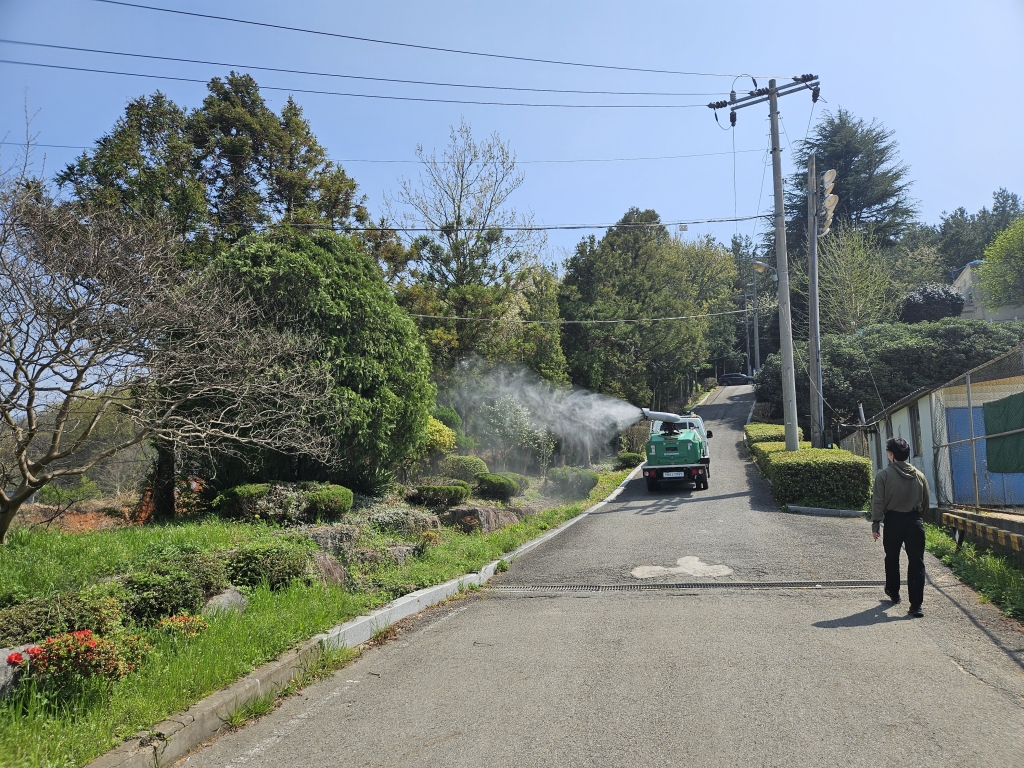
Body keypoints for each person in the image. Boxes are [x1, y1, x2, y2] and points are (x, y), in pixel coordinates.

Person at [870, 437, 930, 618]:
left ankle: (893, 592)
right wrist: (918, 518)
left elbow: (878, 501)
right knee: (917, 561)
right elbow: (925, 502)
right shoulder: (919, 475)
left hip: (893, 521)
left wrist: (876, 523)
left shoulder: (883, 476)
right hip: (914, 521)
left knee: (892, 557)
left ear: (891, 454)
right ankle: (916, 606)